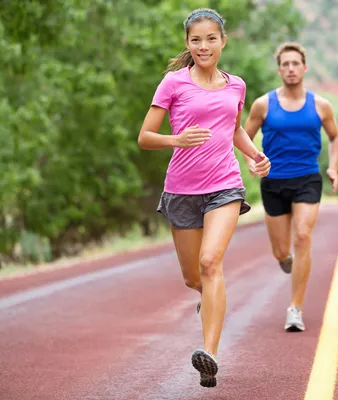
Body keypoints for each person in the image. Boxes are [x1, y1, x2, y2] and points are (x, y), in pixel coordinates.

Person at [137, 8, 271, 388]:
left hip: (224, 185)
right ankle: (209, 299)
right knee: (193, 276)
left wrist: (255, 155)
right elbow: (145, 137)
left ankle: (209, 353)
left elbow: (233, 131)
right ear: (187, 43)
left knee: (211, 262)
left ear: (223, 41)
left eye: (211, 38)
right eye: (196, 39)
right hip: (181, 190)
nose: (203, 46)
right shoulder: (173, 83)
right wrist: (174, 139)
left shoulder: (236, 85)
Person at [243, 42, 338, 332]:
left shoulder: (321, 105)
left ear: (304, 68)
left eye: (295, 63)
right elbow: (243, 137)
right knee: (280, 250)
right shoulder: (263, 104)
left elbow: (336, 138)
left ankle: (294, 308)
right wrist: (251, 162)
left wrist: (333, 166)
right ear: (279, 69)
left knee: (302, 237)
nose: (290, 69)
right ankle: (283, 258)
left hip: (307, 178)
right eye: (285, 64)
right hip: (273, 181)